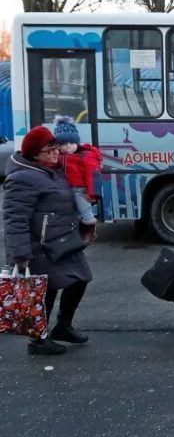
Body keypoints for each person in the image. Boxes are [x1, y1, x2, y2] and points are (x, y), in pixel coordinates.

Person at [3, 126, 94, 355]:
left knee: (81, 279)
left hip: (64, 241)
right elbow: (15, 220)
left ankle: (63, 326)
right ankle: (38, 340)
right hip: (41, 246)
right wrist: (20, 255)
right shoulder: (22, 178)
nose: (56, 154)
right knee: (45, 292)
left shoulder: (51, 170)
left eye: (56, 149)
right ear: (35, 153)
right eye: (49, 151)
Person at [53, 116, 103, 239]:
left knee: (84, 210)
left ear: (77, 142)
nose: (68, 146)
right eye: (63, 144)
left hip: (80, 190)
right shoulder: (58, 156)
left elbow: (93, 174)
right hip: (65, 190)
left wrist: (93, 194)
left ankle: (90, 226)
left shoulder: (86, 155)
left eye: (71, 143)